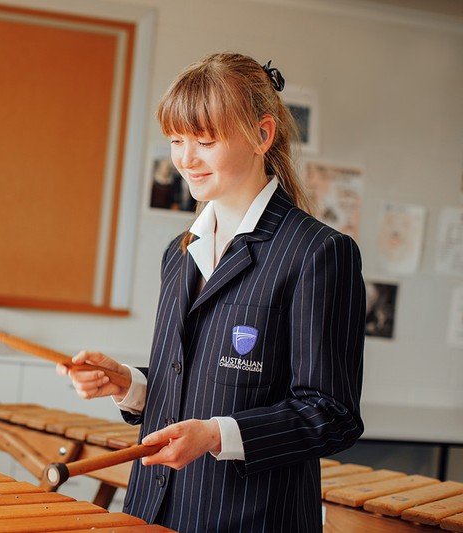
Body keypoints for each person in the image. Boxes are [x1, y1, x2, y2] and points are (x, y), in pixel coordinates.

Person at [58, 52, 365, 532]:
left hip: (252, 520)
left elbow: (332, 414)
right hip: (151, 513)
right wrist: (130, 384)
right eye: (177, 140)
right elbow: (188, 381)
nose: (185, 159)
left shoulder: (319, 253)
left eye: (205, 140)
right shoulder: (178, 253)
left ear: (262, 135)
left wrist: (216, 435)